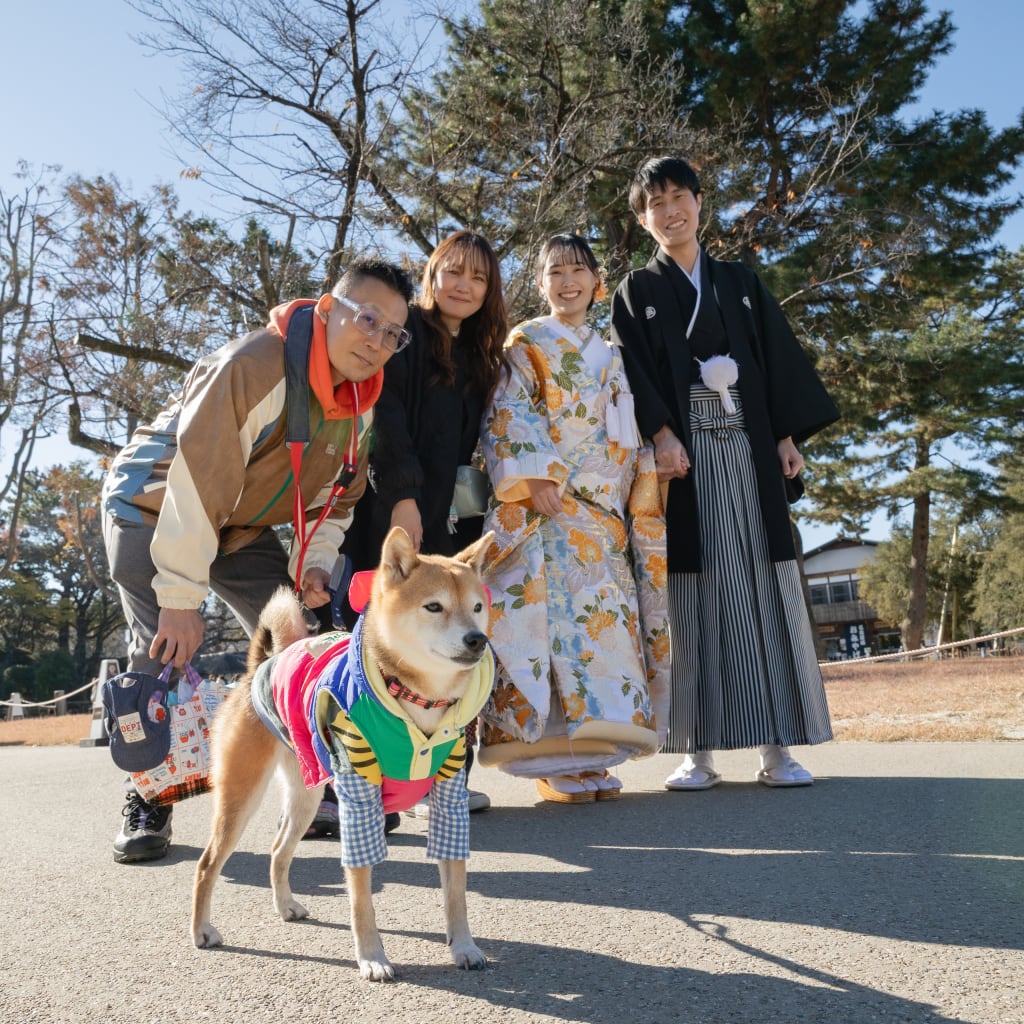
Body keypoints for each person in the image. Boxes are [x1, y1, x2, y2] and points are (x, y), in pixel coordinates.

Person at [101, 257, 415, 862]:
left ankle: (315, 779)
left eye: (392, 334)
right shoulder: (252, 366)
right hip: (153, 503)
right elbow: (199, 483)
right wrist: (181, 599)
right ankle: (149, 796)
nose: (377, 341)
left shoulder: (359, 402)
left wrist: (313, 564)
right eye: (367, 318)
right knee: (163, 651)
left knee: (292, 636)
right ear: (328, 309)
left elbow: (336, 498)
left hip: (240, 521)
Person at [611, 156, 840, 790]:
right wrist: (659, 435)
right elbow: (632, 373)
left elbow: (771, 361)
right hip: (684, 456)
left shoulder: (739, 280)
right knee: (693, 597)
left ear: (699, 202)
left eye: (679, 196)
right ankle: (698, 753)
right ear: (642, 218)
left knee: (765, 589)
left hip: (747, 443)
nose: (670, 211)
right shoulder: (636, 291)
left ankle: (777, 750)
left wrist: (784, 437)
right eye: (655, 204)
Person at [477, 233, 671, 803]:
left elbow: (627, 429)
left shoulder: (612, 351)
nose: (567, 282)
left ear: (597, 283)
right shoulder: (527, 341)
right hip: (549, 505)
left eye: (577, 271)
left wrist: (647, 472)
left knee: (602, 634)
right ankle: (548, 757)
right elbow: (509, 410)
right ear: (540, 285)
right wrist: (533, 475)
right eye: (554, 273)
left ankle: (595, 754)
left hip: (605, 515)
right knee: (547, 630)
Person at [341, 230, 508, 815]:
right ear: (433, 273)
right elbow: (383, 416)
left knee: (445, 656)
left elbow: (470, 452)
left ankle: (440, 782)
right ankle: (362, 785)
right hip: (392, 513)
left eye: (478, 277)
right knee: (374, 644)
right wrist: (404, 497)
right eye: (454, 272)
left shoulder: (478, 355)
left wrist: (470, 519)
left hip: (451, 517)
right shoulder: (406, 336)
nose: (464, 286)